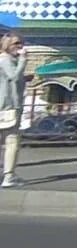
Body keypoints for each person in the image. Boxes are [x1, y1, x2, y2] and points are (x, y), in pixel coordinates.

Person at [0, 31, 27, 188]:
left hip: (5, 104)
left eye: (21, 42)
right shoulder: (5, 59)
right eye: (16, 43)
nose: (20, 46)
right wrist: (23, 60)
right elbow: (13, 77)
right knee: (12, 140)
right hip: (7, 106)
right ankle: (9, 176)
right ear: (7, 45)